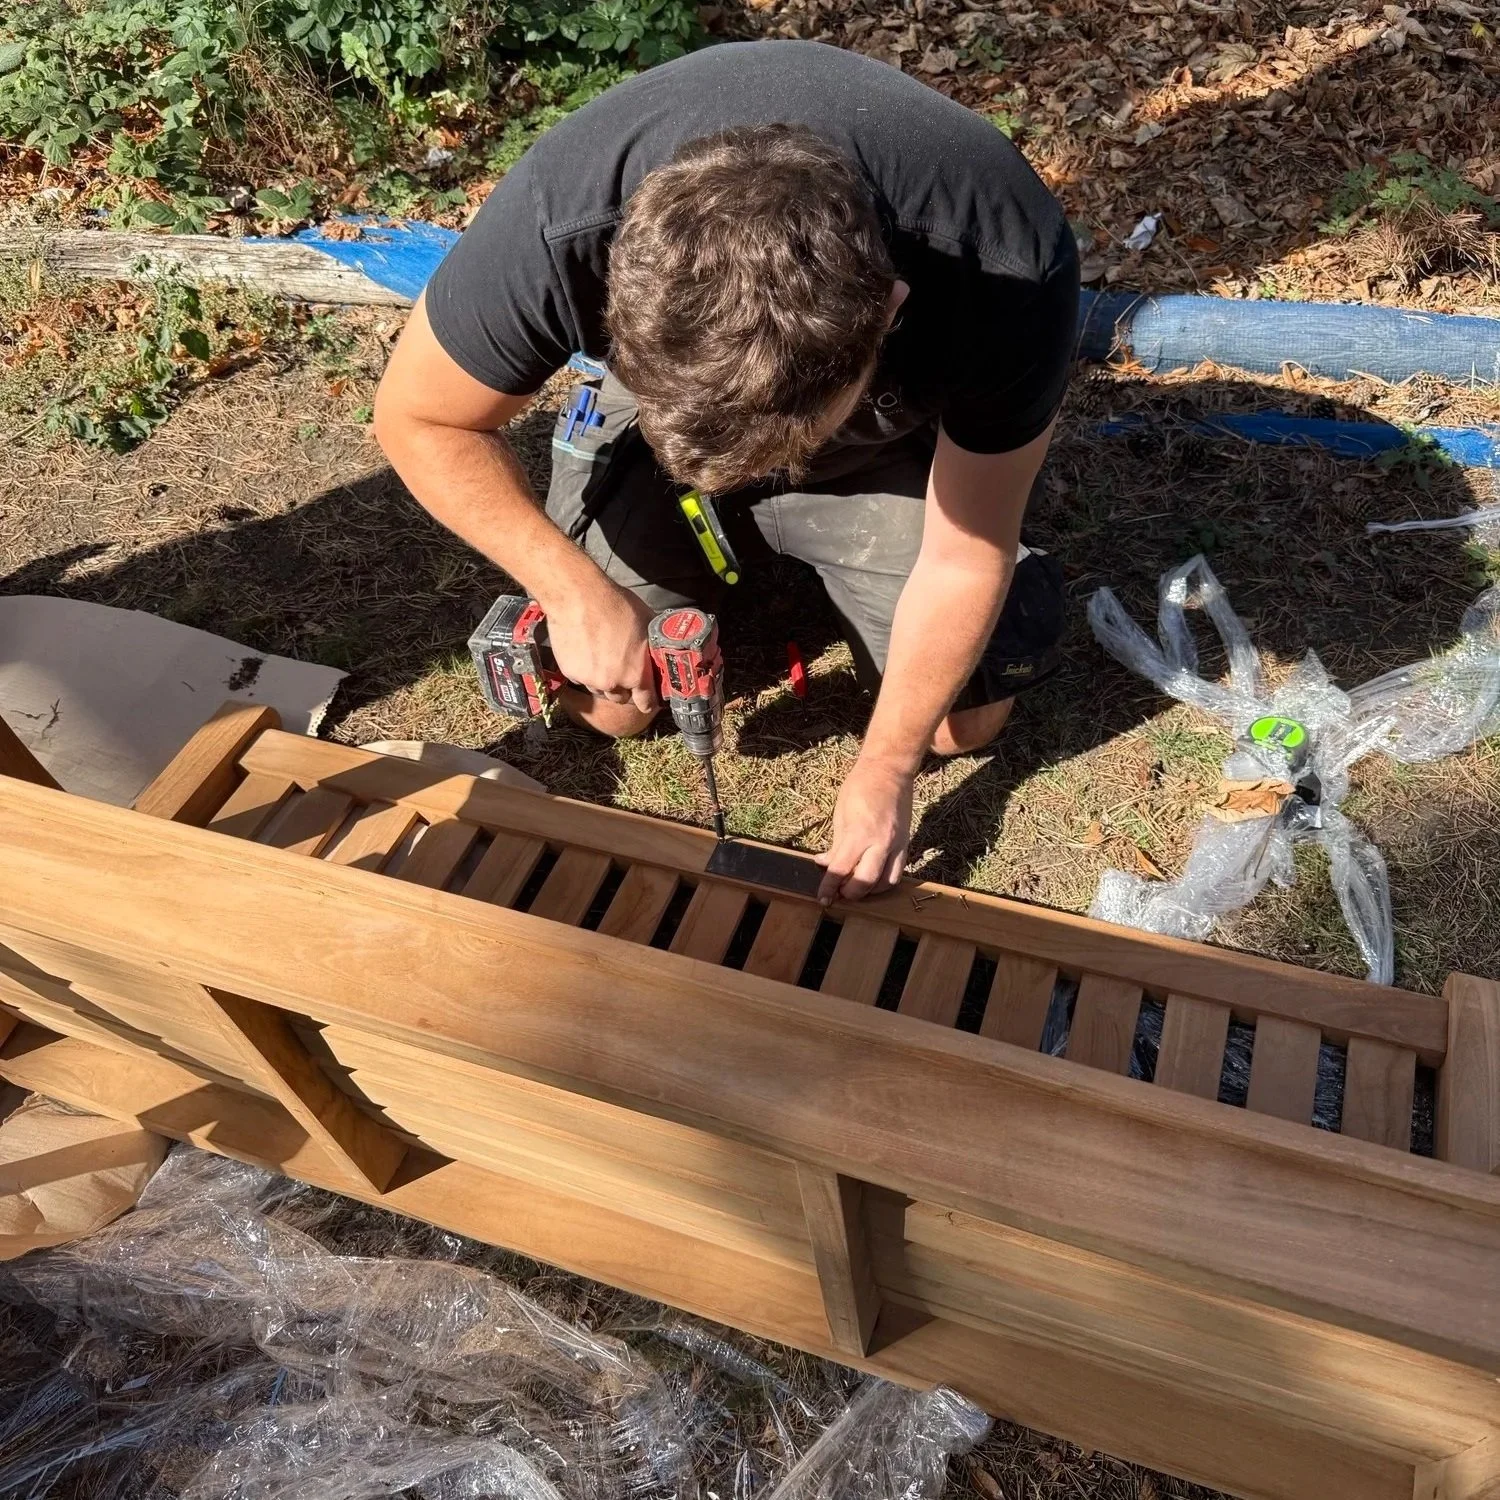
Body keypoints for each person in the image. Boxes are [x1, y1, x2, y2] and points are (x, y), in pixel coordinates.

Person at [374, 40, 1080, 903]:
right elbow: (417, 417)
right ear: (620, 293)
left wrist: (886, 770)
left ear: (890, 312)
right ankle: (667, 498)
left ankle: (812, 502)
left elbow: (966, 556)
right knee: (613, 704)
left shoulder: (1005, 266)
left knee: (958, 726)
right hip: (666, 414)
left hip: (875, 437)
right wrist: (568, 590)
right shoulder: (566, 217)